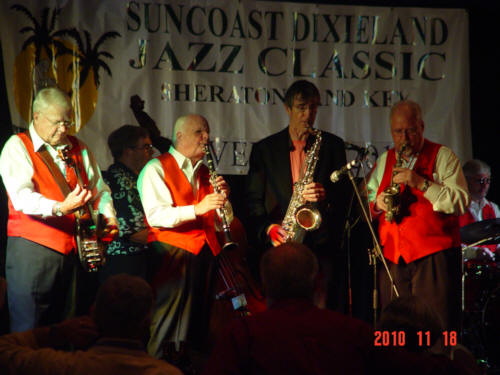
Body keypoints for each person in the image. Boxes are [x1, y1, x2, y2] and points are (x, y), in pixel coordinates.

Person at [202, 243, 468, 375]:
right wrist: (457, 359)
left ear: (264, 284)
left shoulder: (242, 335)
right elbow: (409, 366)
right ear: (318, 282)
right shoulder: (352, 331)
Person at [0, 86, 118, 332]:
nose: (64, 129)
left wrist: (108, 215)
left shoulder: (79, 147)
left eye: (67, 122)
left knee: (69, 326)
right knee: (30, 327)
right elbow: (21, 197)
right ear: (36, 117)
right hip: (33, 250)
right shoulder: (17, 146)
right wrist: (60, 207)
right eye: (57, 122)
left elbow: (101, 190)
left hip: (75, 251)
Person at [245, 79, 350, 311]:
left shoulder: (332, 145)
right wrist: (268, 229)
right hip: (282, 242)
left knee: (322, 309)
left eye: (313, 108)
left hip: (320, 244)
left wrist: (325, 194)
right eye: (301, 107)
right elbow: (253, 201)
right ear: (287, 109)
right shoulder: (264, 149)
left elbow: (346, 196)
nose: (308, 115)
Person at [366, 100, 470, 333]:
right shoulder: (385, 160)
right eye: (398, 132)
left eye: (410, 131)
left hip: (433, 258)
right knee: (395, 331)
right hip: (393, 259)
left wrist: (421, 183)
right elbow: (369, 197)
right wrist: (378, 203)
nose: (404, 138)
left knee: (438, 329)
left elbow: (461, 201)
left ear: (422, 127)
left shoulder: (443, 157)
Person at [137, 114, 231, 360]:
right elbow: (156, 215)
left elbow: (222, 222)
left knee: (198, 328)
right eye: (199, 131)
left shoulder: (204, 172)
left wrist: (223, 202)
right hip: (172, 255)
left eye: (207, 131)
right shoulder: (155, 168)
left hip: (205, 253)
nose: (206, 137)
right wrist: (198, 208)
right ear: (180, 136)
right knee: (167, 324)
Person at [0, 274, 183, 375]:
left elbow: (4, 350)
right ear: (148, 323)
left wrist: (56, 332)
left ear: (92, 312)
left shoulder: (60, 366)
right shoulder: (166, 373)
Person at [99, 125, 154, 283]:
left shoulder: (138, 179)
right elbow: (134, 231)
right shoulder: (117, 182)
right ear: (127, 151)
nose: (151, 152)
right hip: (125, 263)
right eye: (146, 147)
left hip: (137, 260)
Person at [459, 159, 499, 260]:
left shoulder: (493, 208)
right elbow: (450, 246)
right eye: (480, 180)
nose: (485, 185)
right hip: (467, 268)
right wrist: (473, 253)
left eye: (487, 180)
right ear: (466, 181)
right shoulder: (456, 209)